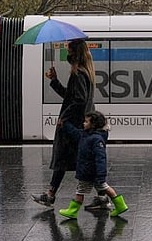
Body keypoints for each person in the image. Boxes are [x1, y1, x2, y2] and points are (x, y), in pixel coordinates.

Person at [32, 39, 110, 210]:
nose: (67, 53)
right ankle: (101, 197)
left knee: (63, 158)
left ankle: (50, 195)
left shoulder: (78, 73)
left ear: (75, 53)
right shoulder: (85, 72)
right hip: (82, 122)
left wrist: (64, 118)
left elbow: (79, 100)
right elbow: (71, 96)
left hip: (74, 124)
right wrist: (55, 80)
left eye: (69, 50)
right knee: (84, 159)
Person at [58, 110, 129, 219]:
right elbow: (74, 132)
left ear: (93, 125)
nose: (83, 123)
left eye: (86, 122)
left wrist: (101, 174)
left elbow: (101, 158)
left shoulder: (96, 139)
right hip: (89, 170)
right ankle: (120, 205)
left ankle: (72, 211)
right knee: (103, 187)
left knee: (80, 191)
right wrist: (65, 124)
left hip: (89, 171)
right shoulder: (85, 135)